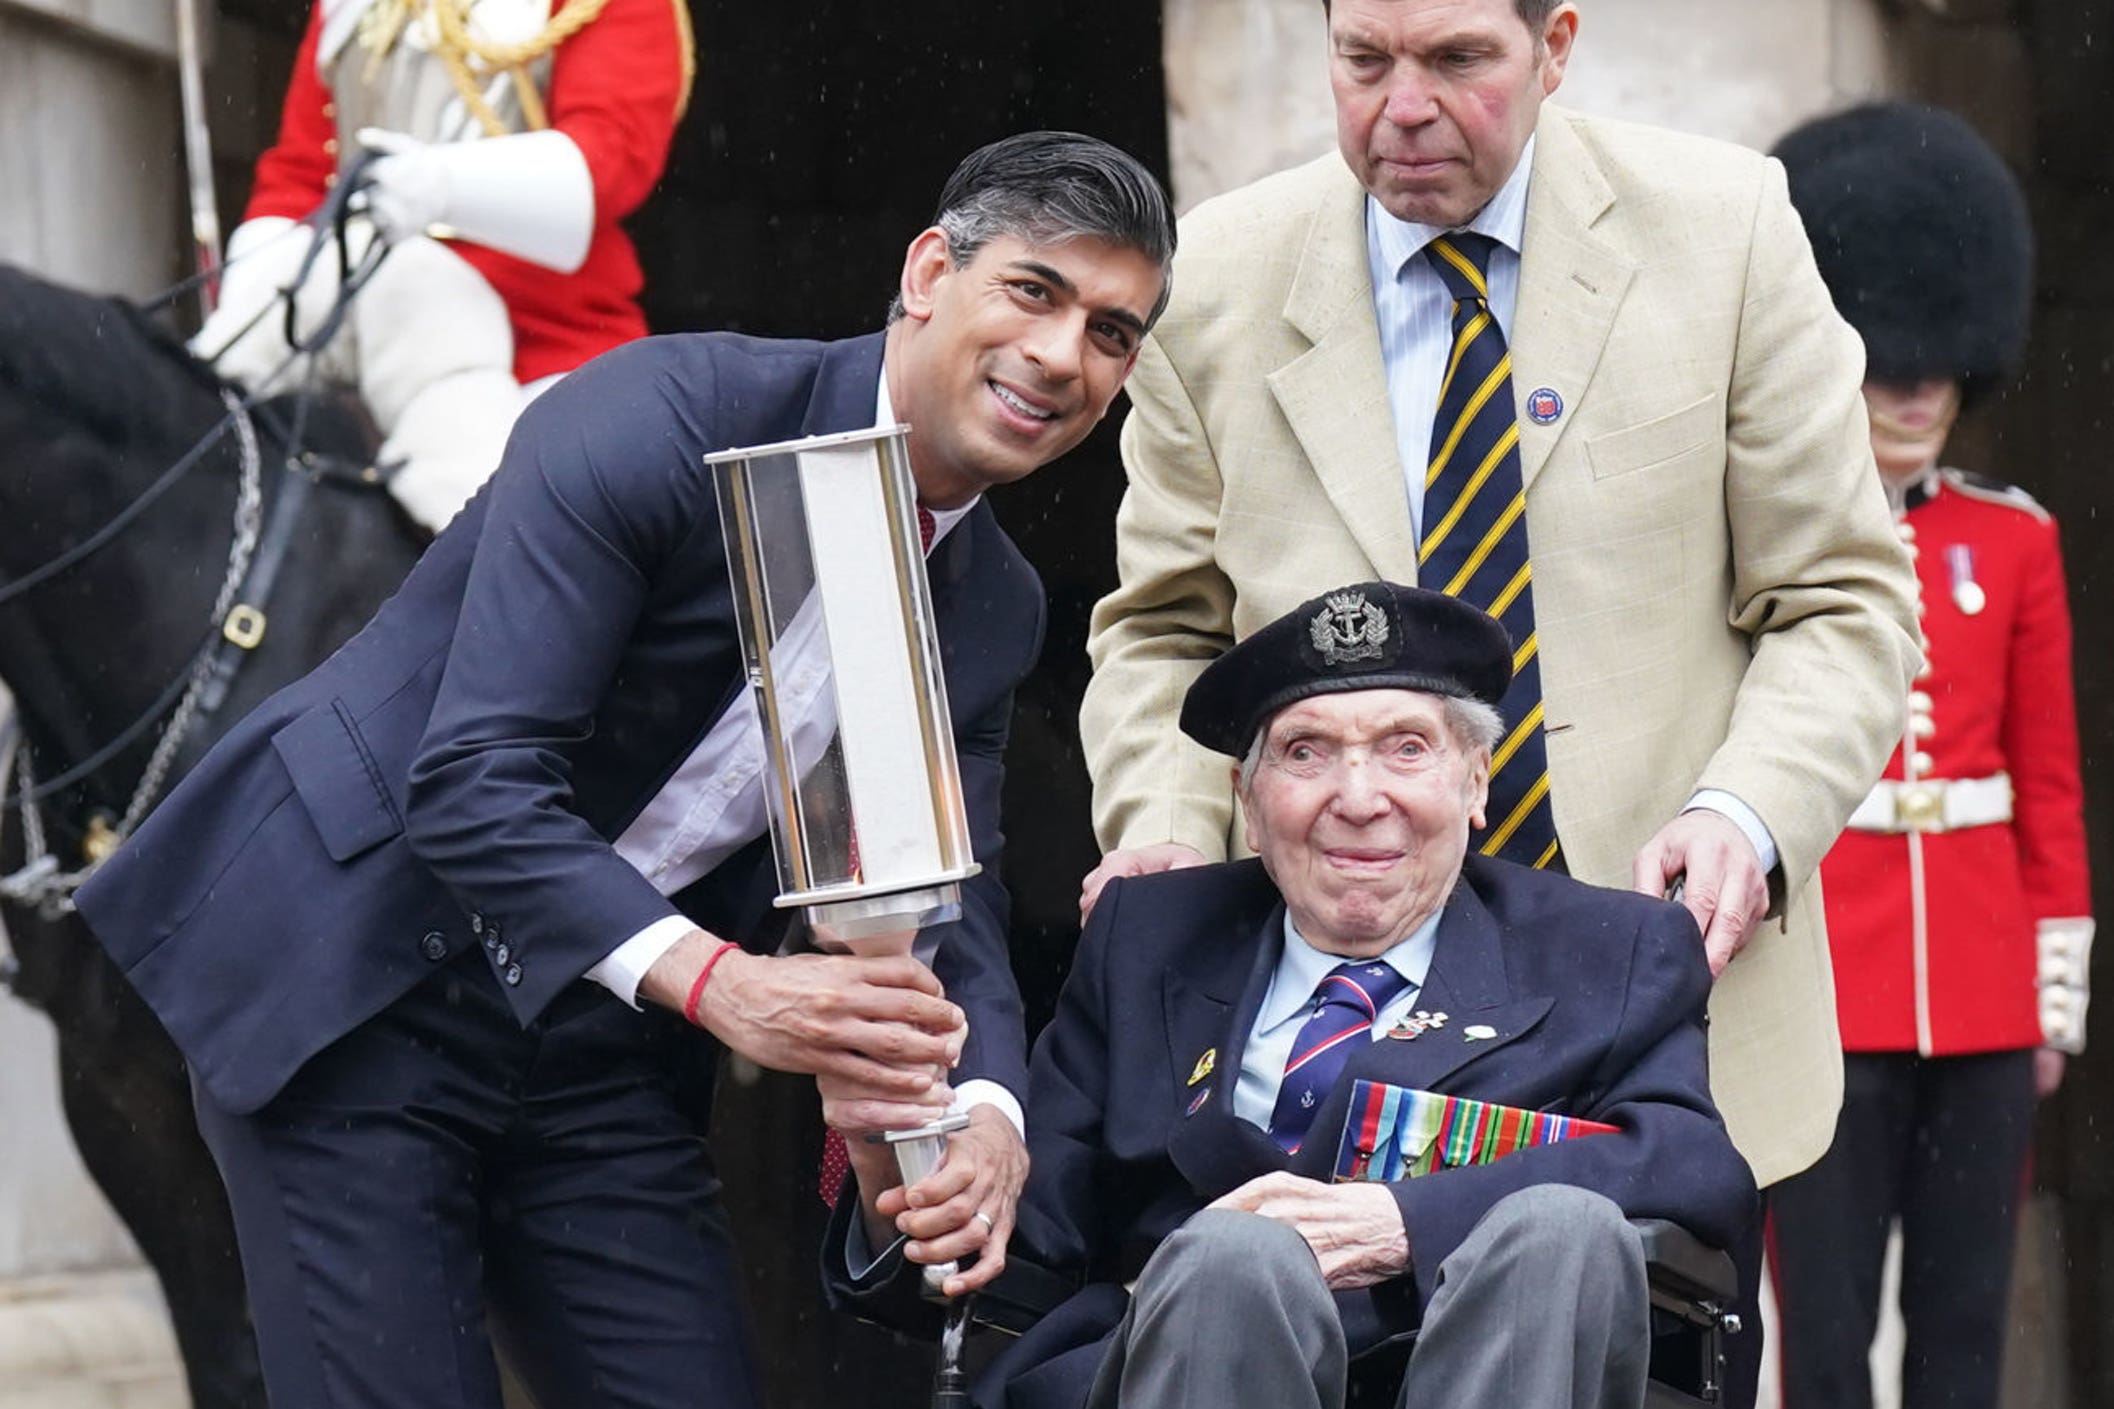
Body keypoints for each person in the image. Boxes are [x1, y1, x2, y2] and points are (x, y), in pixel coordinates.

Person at [75, 131, 1175, 1409]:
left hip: (604, 1042)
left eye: (1112, 331)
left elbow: (948, 887)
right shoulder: (662, 415)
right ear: (929, 270)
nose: (1062, 356)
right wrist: (730, 986)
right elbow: (474, 780)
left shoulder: (989, 602)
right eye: (1033, 292)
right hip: (354, 972)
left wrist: (981, 1100)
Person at [1077, 0, 1917, 1210]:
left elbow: (1840, 601)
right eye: (1362, 61)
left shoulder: (1725, 230)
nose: (1402, 106)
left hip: (1645, 984)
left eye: (1457, 59)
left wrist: (1744, 812)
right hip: (1324, 1003)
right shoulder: (1214, 274)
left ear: (1556, 48)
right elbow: (1164, 632)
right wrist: (1163, 830)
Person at [827, 582, 1757, 1409]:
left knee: (1563, 1230)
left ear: (1475, 782)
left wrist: (1403, 1223)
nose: (1358, 797)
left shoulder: (1606, 949)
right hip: (1186, 1365)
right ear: (1246, 796)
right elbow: (1023, 1239)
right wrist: (888, 1162)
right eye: (1307, 752)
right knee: (1238, 1260)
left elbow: (1689, 1166)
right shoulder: (1147, 938)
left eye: (1406, 748)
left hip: (1477, 1366)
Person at [1764, 102, 2093, 1409]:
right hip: (1823, 988)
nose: (1911, 387)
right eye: (1885, 356)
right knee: (1825, 1338)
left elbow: (2046, 782)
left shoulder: (2010, 542)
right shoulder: (1782, 543)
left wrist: (2046, 997)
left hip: (1980, 989)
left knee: (1961, 1329)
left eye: (1934, 364)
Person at [192, 0, 693, 530]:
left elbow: (609, 156)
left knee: (573, 528)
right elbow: (299, 175)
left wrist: (444, 188)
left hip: (537, 344)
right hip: (347, 320)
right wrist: (252, 308)